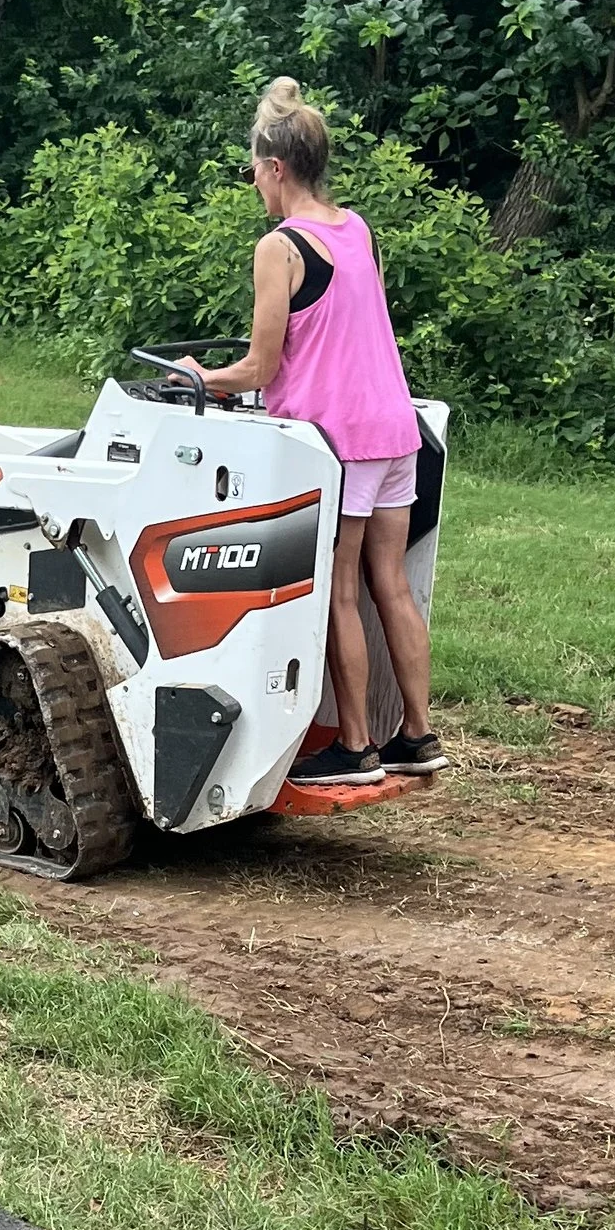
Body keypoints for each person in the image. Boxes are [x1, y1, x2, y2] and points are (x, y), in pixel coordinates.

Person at [187, 79, 441, 784]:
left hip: (343, 444)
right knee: (387, 582)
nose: (256, 190)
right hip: (396, 431)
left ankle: (356, 744)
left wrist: (197, 376)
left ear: (275, 168)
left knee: (337, 592)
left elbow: (261, 366)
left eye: (255, 175)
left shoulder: (282, 247)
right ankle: (417, 734)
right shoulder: (357, 228)